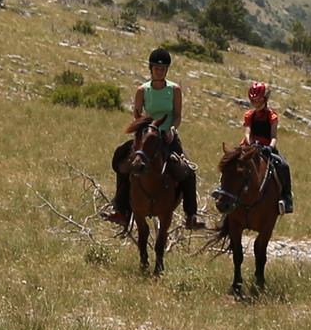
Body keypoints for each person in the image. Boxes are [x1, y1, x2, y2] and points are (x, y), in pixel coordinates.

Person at [101, 47, 201, 228]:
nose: (159, 71)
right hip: (147, 136)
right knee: (124, 162)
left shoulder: (175, 89)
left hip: (167, 136)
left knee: (188, 171)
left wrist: (171, 129)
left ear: (167, 70)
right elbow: (137, 115)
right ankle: (121, 209)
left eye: (162, 69)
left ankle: (191, 215)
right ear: (151, 68)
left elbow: (178, 115)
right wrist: (144, 129)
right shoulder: (142, 90)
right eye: (156, 68)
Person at [216, 81, 293, 215]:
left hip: (266, 148)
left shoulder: (272, 116)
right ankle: (222, 189)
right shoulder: (249, 115)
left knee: (283, 165)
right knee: (230, 161)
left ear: (265, 99)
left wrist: (269, 147)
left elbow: (274, 136)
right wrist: (251, 144)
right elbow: (247, 132)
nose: (254, 103)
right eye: (252, 100)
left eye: (257, 100)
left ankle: (286, 198)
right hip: (249, 146)